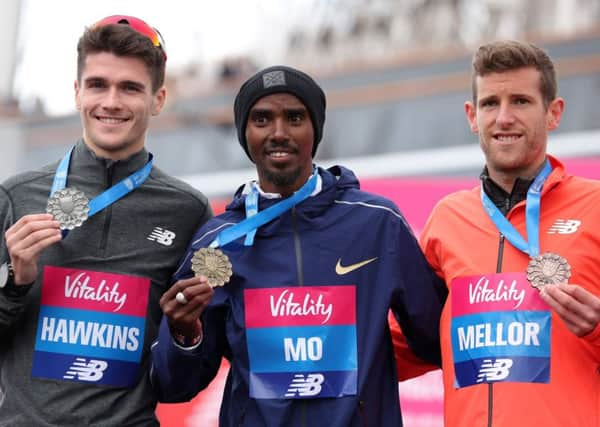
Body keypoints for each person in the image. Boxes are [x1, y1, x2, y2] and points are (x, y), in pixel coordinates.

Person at [150, 65, 447, 427]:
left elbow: (436, 339)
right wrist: (184, 334)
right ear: (245, 133)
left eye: (294, 118)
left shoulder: (377, 223)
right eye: (261, 119)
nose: (278, 133)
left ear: (315, 129)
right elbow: (173, 385)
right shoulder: (217, 244)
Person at [0, 15, 212, 426]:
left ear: (158, 98)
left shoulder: (187, 211)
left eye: (130, 87)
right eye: (98, 84)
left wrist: (187, 335)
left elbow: (181, 384)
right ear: (77, 93)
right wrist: (14, 283)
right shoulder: (16, 196)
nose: (111, 102)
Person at [392, 39, 600, 427]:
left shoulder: (596, 207)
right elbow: (404, 344)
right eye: (490, 103)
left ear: (553, 113)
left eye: (520, 101)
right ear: (472, 116)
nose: (504, 118)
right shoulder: (447, 220)